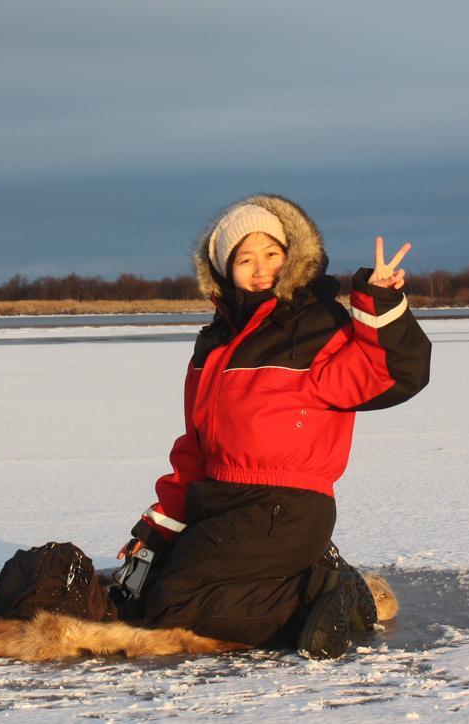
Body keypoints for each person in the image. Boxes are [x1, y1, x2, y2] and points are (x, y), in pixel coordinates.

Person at [115, 193, 431, 658]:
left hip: (286, 505)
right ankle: (306, 579)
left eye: (271, 254)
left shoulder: (316, 327)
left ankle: (321, 595)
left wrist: (379, 301)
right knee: (153, 588)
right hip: (222, 500)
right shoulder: (214, 345)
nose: (260, 268)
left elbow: (394, 372)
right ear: (224, 269)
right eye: (245, 258)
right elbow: (196, 447)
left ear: (292, 257)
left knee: (174, 605)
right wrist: (158, 527)